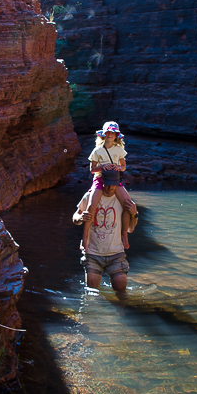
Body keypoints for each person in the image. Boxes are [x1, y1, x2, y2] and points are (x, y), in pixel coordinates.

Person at [73, 169, 138, 293]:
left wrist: (134, 214)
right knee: (92, 293)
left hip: (116, 254)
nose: (109, 188)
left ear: (118, 183)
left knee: (121, 292)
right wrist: (80, 218)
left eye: (113, 184)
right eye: (107, 184)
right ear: (101, 182)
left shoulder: (123, 201)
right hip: (93, 253)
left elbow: (130, 228)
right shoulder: (90, 197)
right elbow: (75, 217)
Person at [82, 121, 136, 252]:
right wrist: (102, 167)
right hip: (100, 179)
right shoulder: (97, 150)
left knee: (128, 204)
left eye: (112, 132)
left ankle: (124, 233)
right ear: (103, 134)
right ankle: (85, 236)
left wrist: (117, 167)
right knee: (91, 205)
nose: (110, 134)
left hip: (114, 179)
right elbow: (92, 169)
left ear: (116, 135)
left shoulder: (119, 150)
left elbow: (123, 167)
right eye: (107, 132)